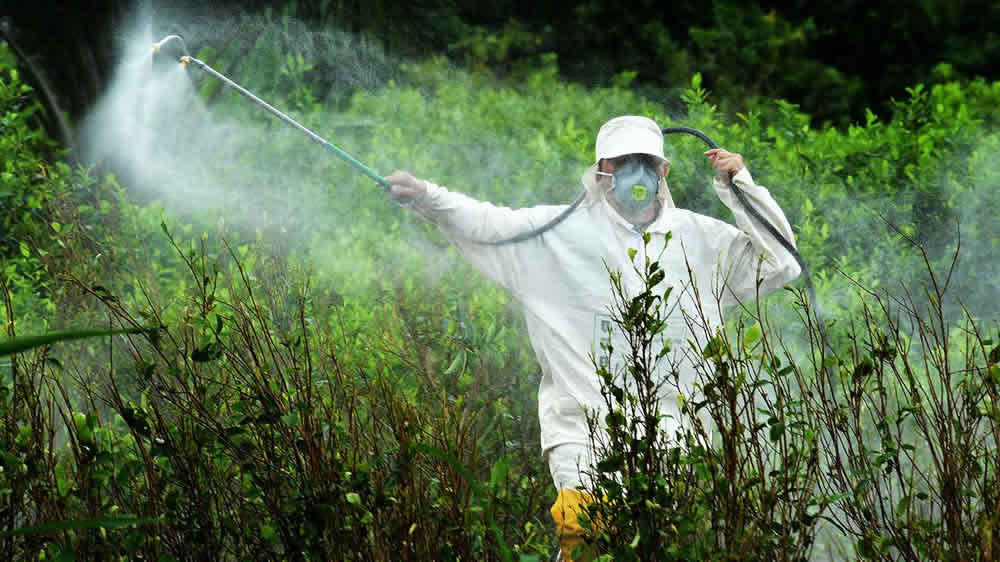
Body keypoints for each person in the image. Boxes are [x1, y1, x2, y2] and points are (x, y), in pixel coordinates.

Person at [386, 115, 800, 561]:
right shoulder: (556, 233)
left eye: (645, 161)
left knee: (660, 548)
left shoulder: (701, 239)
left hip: (678, 436)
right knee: (587, 533)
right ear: (602, 171)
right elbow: (487, 224)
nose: (634, 171)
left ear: (663, 170)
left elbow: (781, 263)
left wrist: (739, 184)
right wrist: (425, 196)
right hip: (580, 429)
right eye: (623, 161)